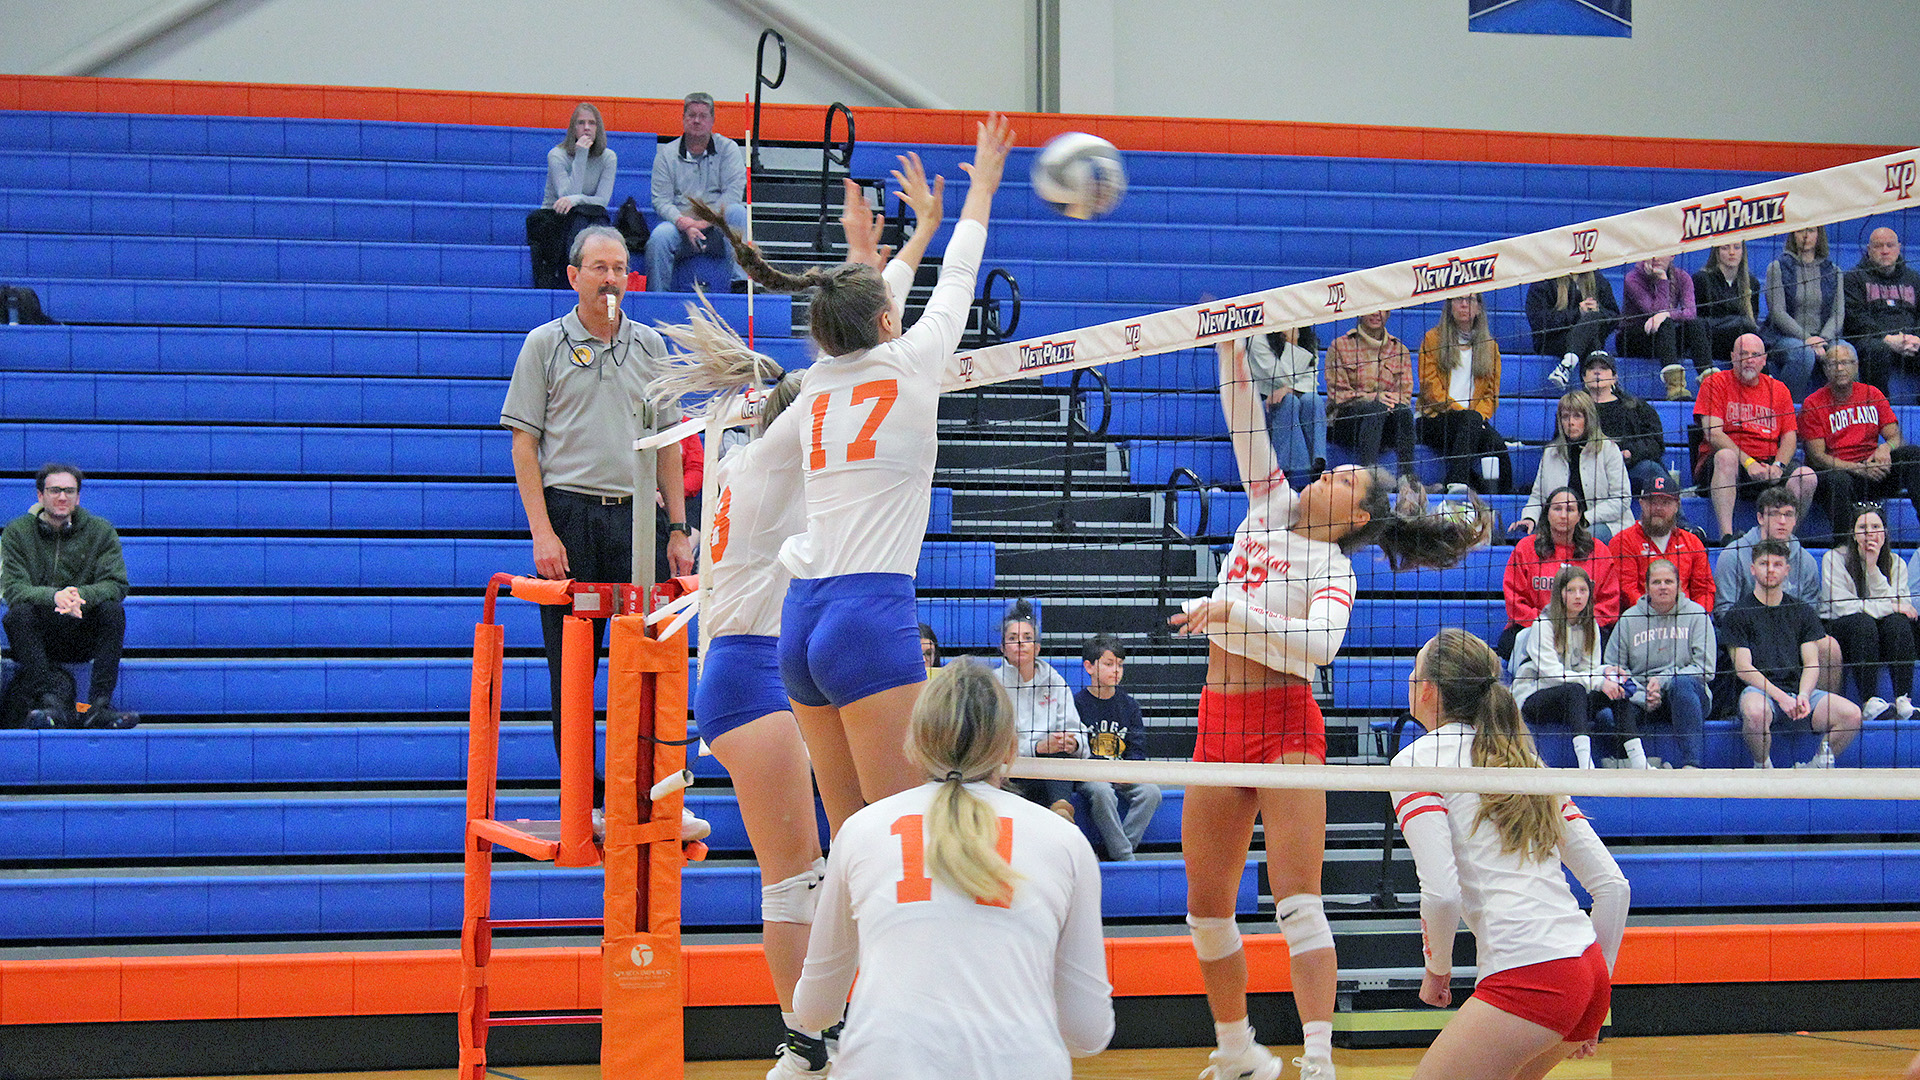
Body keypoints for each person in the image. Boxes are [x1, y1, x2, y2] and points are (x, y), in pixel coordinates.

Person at [1171, 337, 1490, 1080]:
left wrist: (1234, 613)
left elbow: (1318, 647)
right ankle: (1237, 1050)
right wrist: (1230, 341)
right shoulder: (1269, 504)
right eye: (1336, 468)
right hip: (1218, 720)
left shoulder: (1334, 569)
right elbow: (1242, 412)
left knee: (1298, 904)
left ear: (1355, 517)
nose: (1330, 472)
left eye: (1347, 478)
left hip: (1285, 725)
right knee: (1206, 910)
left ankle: (1318, 1061)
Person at [704, 117, 1013, 829]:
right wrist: (979, 192)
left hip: (801, 621)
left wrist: (891, 246)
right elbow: (958, 278)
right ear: (885, 323)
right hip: (869, 616)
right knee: (907, 829)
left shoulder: (813, 384)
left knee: (853, 836)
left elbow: (869, 307)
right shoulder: (912, 363)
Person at [654, 157, 949, 840]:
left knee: (833, 855)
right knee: (843, 856)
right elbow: (848, 359)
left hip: (755, 656)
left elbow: (848, 347)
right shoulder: (789, 452)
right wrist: (892, 251)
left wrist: (869, 261)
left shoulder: (745, 459)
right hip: (765, 661)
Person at [792, 660, 1114, 1080]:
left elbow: (814, 1011)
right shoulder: (1065, 842)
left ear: (914, 745)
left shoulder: (860, 831)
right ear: (1010, 748)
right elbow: (1087, 1034)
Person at [500, 225, 695, 800]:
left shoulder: (651, 347)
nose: (611, 278)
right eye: (599, 268)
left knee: (649, 661)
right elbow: (523, 445)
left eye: (619, 268)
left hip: (639, 519)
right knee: (572, 669)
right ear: (573, 276)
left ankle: (647, 791)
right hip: (570, 517)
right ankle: (582, 797)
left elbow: (669, 444)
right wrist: (543, 532)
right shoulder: (544, 344)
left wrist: (678, 529)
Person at [1393, 628, 1629, 1080]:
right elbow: (1614, 888)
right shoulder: (1526, 762)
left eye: (1414, 671)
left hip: (1529, 974)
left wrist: (1437, 970)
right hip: (1588, 969)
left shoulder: (1415, 762)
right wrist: (1595, 1000)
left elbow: (1442, 893)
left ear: (1427, 690)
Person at [0, 463, 135, 729]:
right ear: (40, 495)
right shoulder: (17, 533)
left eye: (69, 491)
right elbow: (13, 588)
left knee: (112, 611)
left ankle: (98, 706)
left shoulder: (100, 531)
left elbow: (117, 584)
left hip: (81, 628)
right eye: (55, 490)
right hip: (37, 635)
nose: (62, 497)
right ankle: (50, 702)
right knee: (17, 615)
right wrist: (55, 597)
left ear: (78, 496)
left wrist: (80, 596)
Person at [1720, 539, 1863, 768]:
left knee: (1852, 715)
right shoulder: (1738, 614)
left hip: (1797, 691)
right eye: (1764, 563)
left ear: (1787, 570)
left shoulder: (1801, 611)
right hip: (1760, 692)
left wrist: (1803, 695)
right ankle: (1763, 767)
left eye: (1777, 564)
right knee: (1755, 713)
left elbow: (1812, 662)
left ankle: (1817, 766)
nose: (1770, 569)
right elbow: (1743, 668)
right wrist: (1782, 697)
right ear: (1752, 569)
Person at [1511, 565, 1645, 770]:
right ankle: (1585, 765)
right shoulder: (1543, 624)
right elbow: (1552, 675)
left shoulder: (1590, 625)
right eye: (1571, 590)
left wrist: (1606, 672)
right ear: (1559, 594)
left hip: (1575, 699)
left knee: (1617, 691)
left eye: (1583, 590)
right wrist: (1598, 681)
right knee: (1576, 690)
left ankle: (1639, 762)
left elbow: (1588, 670)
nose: (1578, 596)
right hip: (1535, 697)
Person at [1712, 486, 1842, 694]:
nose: (1782, 521)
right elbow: (1724, 610)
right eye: (1774, 514)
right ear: (1760, 518)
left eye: (1788, 514)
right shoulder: (1733, 555)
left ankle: (1815, 705)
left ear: (1795, 519)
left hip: (1792, 636)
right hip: (1748, 635)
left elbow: (1809, 613)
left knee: (1829, 647)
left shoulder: (1806, 562)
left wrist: (1786, 635)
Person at [1693, 332, 1816, 542]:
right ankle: (1727, 537)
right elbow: (1713, 433)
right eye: (1743, 354)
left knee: (1807, 476)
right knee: (1726, 457)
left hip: (1768, 463)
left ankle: (1781, 541)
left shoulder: (1779, 389)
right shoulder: (1715, 382)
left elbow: (1789, 437)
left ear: (1764, 360)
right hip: (1727, 464)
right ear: (1733, 357)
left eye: (1755, 355)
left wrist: (1779, 466)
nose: (1749, 359)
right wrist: (1749, 463)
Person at [1799, 341, 1920, 540]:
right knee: (1837, 479)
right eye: (1833, 364)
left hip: (1874, 471)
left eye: (1845, 362)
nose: (1839, 368)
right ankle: (1845, 544)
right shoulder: (1813, 403)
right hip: (1839, 475)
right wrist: (1857, 468)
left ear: (1856, 366)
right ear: (1825, 369)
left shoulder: (1872, 394)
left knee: (1913, 454)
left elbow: (1896, 437)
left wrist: (1885, 448)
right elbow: (1817, 457)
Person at [1604, 559, 1716, 770]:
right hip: (1641, 695)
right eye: (1656, 582)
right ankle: (1631, 764)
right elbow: (1612, 668)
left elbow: (1705, 669)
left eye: (1668, 581)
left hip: (1686, 695)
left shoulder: (1697, 615)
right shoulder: (1629, 619)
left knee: (1682, 685)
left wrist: (1664, 680)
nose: (1663, 587)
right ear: (1646, 587)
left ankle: (1691, 765)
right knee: (1606, 716)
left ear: (1679, 586)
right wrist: (1641, 695)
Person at [1819, 505, 1918, 722]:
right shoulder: (1833, 559)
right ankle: (1869, 701)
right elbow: (1843, 607)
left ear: (1885, 532)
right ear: (1853, 534)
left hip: (1879, 634)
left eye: (1875, 527)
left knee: (1899, 623)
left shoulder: (1896, 563)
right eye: (1863, 528)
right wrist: (1890, 607)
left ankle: (1903, 700)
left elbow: (1903, 606)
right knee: (1863, 622)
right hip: (1843, 630)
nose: (1870, 533)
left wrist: (1872, 568)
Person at [1498, 488, 1620, 658]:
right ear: (1547, 514)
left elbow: (1609, 604)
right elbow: (1515, 602)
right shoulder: (1525, 548)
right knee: (1508, 645)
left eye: (1570, 509)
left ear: (1579, 515)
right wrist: (1547, 625)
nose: (1563, 515)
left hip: (1585, 631)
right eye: (1557, 509)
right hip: (1534, 628)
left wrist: (1577, 624)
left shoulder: (1599, 550)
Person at [1073, 634, 1162, 862]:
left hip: (1122, 772)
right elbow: (1078, 750)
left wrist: (1128, 770)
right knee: (1102, 793)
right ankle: (1124, 857)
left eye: (1120, 665)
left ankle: (1115, 852)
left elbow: (1137, 748)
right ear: (1089, 667)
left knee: (1151, 793)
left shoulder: (1129, 705)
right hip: (1090, 774)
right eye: (1109, 664)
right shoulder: (1076, 704)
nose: (1116, 670)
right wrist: (1104, 770)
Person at [647, 93, 748, 292]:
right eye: (691, 115)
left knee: (737, 212)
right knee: (659, 237)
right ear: (683, 119)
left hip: (718, 228)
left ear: (712, 120)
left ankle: (741, 285)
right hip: (680, 228)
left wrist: (705, 222)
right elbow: (661, 200)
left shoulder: (729, 149)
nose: (696, 120)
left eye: (703, 116)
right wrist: (684, 223)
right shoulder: (666, 154)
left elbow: (733, 194)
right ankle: (657, 297)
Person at [996, 599, 1084, 822]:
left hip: (1048, 772)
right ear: (1003, 648)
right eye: (1012, 638)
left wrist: (1073, 743)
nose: (1020, 644)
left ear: (1037, 647)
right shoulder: (992, 684)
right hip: (1010, 772)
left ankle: (1062, 811)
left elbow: (1078, 732)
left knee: (1061, 754)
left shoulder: (1055, 681)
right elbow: (992, 745)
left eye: (1027, 638)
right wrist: (1037, 748)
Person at [1417, 293, 1511, 495]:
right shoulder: (1433, 339)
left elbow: (1491, 395)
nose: (1464, 304)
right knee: (1469, 421)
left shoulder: (1490, 347)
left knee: (1497, 445)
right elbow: (1430, 388)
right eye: (1458, 299)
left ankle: (1504, 498)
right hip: (1434, 418)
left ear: (1479, 308)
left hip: (1472, 422)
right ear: (1449, 306)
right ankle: (1456, 481)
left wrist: (1477, 417)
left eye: (1470, 299)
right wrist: (1465, 414)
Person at [1511, 390, 1631, 542]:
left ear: (1589, 419)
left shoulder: (1608, 450)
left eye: (1577, 416)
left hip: (1605, 524)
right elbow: (1538, 496)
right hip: (1561, 525)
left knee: (1584, 538)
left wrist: (1584, 518)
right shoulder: (1551, 452)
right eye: (1565, 417)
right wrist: (1529, 518)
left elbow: (1622, 499)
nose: (1570, 422)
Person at [525, 103, 616, 290]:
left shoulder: (608, 157)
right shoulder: (556, 155)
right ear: (573, 128)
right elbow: (565, 198)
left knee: (594, 220)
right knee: (579, 220)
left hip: (589, 216)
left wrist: (577, 199)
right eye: (581, 123)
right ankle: (576, 278)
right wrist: (581, 155)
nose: (586, 128)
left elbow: (602, 201)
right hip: (556, 218)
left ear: (598, 128)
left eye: (592, 123)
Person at [1324, 309, 1416, 474]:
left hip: (1385, 421)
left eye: (1382, 309)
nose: (1376, 314)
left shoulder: (1400, 350)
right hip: (1346, 423)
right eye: (1372, 309)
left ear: (1388, 313)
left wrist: (1388, 402)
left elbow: (1404, 394)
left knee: (1403, 413)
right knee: (1375, 408)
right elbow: (1338, 395)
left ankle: (1408, 478)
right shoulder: (1340, 346)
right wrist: (1374, 398)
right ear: (1360, 311)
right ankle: (1369, 473)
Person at [1609, 470, 1715, 611]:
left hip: (1685, 619)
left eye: (1665, 502)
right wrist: (1654, 615)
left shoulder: (1692, 542)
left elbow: (1704, 591)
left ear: (1677, 506)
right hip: (1641, 618)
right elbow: (1626, 590)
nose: (1658, 508)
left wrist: (1694, 616)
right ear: (1641, 503)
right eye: (1652, 502)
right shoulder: (1623, 541)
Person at [1762, 226, 1844, 396]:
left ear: (1819, 234)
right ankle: (1785, 405)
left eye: (1811, 231)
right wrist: (1808, 339)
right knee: (1803, 354)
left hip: (1823, 337)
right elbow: (1778, 312)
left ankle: (1843, 408)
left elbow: (1838, 314)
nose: (1806, 236)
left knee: (1846, 353)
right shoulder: (1777, 267)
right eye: (1800, 231)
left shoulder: (1834, 271)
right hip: (1784, 337)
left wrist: (1823, 339)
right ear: (1793, 234)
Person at [1619, 254, 1712, 399]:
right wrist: (1662, 280)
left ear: (1672, 255)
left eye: (1662, 253)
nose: (1655, 258)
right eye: (1651, 252)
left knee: (1695, 324)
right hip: (1633, 339)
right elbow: (1654, 311)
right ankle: (1675, 387)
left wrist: (1667, 314)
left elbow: (1691, 313)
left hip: (1665, 338)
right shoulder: (1633, 278)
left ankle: (1711, 383)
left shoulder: (1682, 276)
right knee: (1665, 324)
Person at [1843, 227, 1920, 395]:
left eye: (1890, 245)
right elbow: (1856, 317)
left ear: (1899, 248)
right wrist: (1886, 339)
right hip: (1871, 340)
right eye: (1878, 246)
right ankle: (1880, 406)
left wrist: (1915, 338)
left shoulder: (1914, 279)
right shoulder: (1853, 278)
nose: (1885, 251)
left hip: (1910, 342)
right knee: (1876, 350)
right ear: (1869, 250)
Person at [1580, 351, 1667, 492]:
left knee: (1651, 470)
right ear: (1584, 377)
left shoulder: (1636, 406)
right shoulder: (1574, 408)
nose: (1597, 372)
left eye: (1604, 368)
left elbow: (1656, 443)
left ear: (1614, 377)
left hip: (1628, 468)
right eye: (1591, 368)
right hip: (1587, 469)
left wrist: (1630, 453)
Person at [1248, 325, 1325, 478]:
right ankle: (1291, 474)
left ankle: (1317, 465)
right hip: (1264, 404)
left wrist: (1289, 389)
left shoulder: (1309, 339)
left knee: (1313, 400)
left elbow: (1311, 383)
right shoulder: (1257, 339)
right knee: (1289, 402)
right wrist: (1292, 342)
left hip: (1295, 398)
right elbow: (1282, 376)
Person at [1692, 242, 1769, 391]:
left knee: (1752, 334)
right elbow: (1697, 321)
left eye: (1737, 248)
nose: (1732, 252)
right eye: (1725, 248)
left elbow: (1753, 319)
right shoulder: (1701, 279)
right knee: (1744, 325)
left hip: (1739, 342)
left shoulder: (1751, 282)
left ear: (1743, 252)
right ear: (1716, 252)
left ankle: (1764, 384)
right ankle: (1764, 380)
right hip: (1710, 340)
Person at [1525, 272, 1619, 392]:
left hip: (1589, 338)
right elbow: (1539, 323)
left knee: (1592, 318)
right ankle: (1598, 395)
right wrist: (1577, 313)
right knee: (1591, 339)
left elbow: (1614, 317)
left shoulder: (1597, 278)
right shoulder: (1544, 281)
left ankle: (1567, 365)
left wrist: (1597, 311)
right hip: (1552, 340)